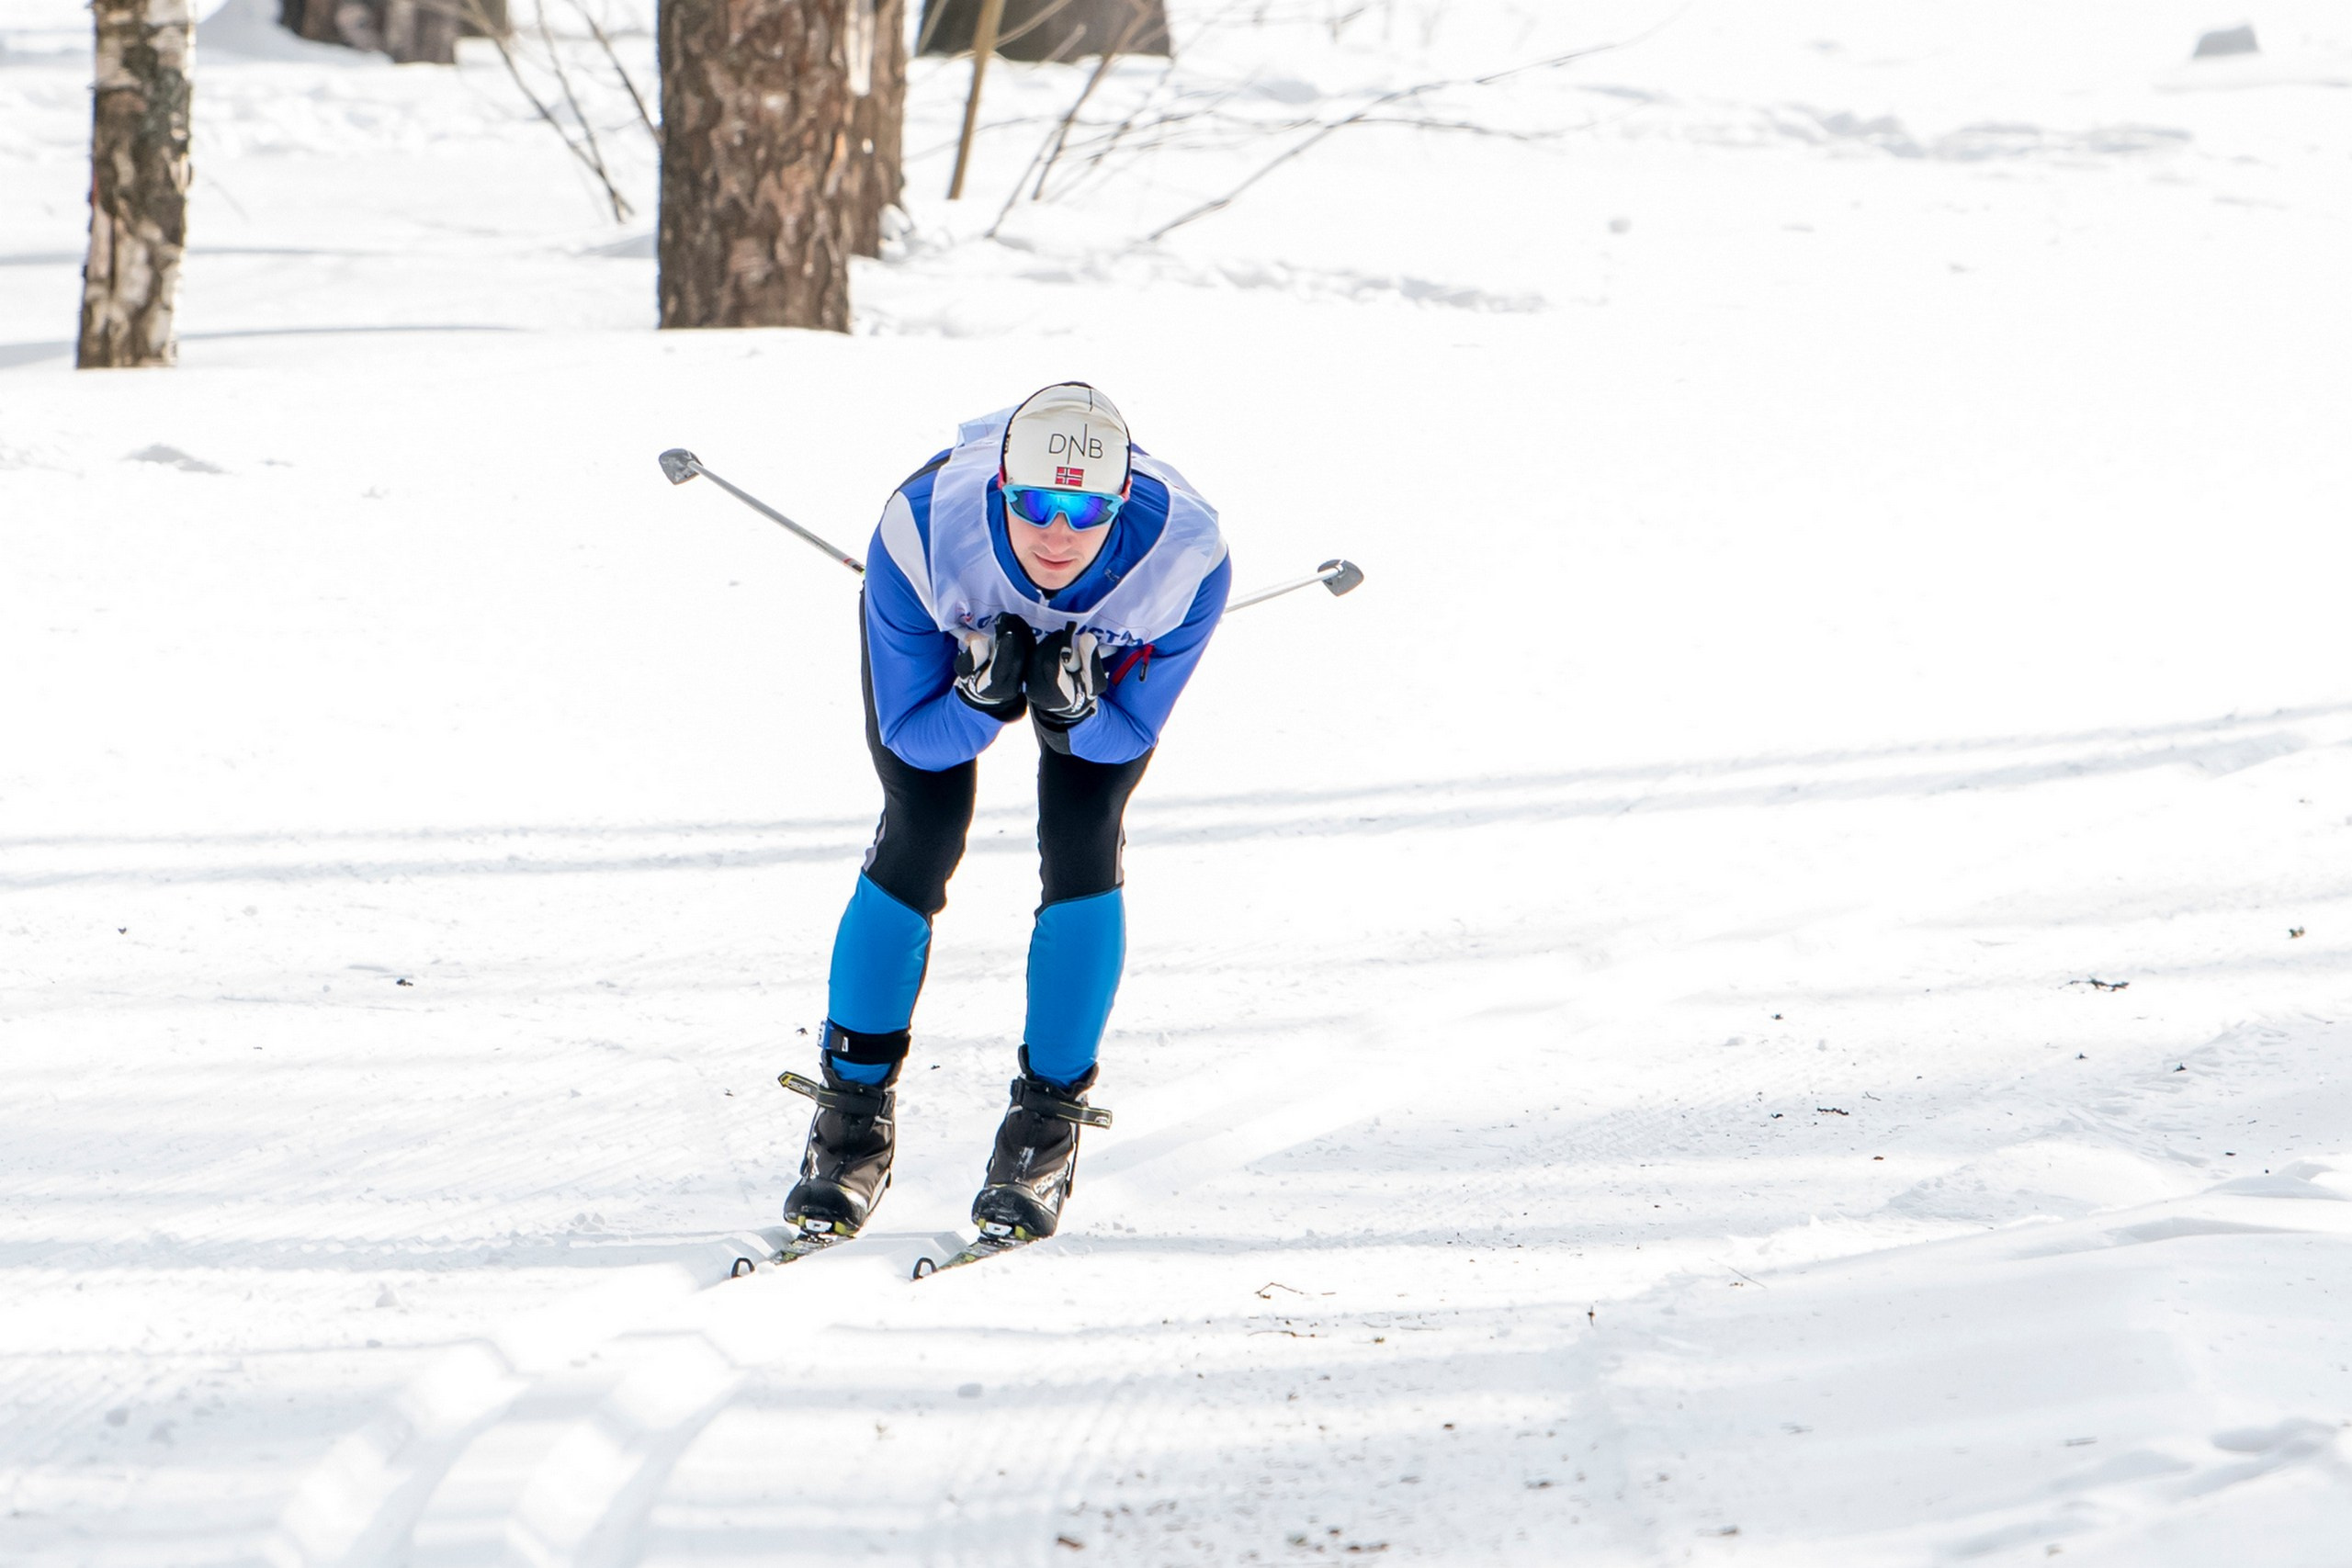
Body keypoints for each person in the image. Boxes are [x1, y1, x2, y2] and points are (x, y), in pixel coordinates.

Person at [781, 384, 1231, 1246]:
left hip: (1099, 658)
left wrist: (1075, 712)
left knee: (1084, 835)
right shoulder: (919, 535)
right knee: (919, 831)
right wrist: (979, 701)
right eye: (1033, 505)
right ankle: (850, 1122)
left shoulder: (1187, 561)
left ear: (1121, 501)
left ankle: (1045, 1128)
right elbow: (914, 740)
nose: (1057, 534)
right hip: (949, 627)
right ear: (1000, 486)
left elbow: (1129, 734)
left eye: (1086, 511)